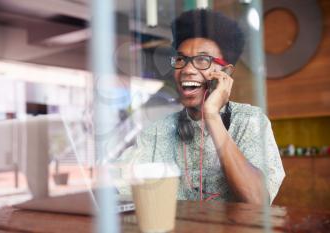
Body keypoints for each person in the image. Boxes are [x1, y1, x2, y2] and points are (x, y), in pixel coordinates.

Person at [117, 9, 285, 205]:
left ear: (226, 73)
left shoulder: (249, 121)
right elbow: (116, 183)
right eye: (181, 59)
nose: (187, 69)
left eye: (203, 60)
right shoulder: (158, 131)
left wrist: (212, 115)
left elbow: (257, 201)